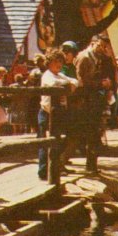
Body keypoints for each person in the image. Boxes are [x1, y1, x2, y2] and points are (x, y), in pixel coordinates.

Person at [69, 33, 113, 173]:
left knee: (93, 134)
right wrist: (101, 84)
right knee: (78, 134)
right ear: (93, 43)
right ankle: (60, 163)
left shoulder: (97, 58)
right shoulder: (85, 57)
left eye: (105, 47)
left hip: (92, 101)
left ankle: (91, 166)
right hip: (83, 102)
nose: (102, 49)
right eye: (100, 46)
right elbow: (82, 81)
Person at [38, 49, 77, 180]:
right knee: (46, 142)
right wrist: (67, 85)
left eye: (61, 62)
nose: (59, 65)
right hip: (47, 113)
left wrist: (70, 83)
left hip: (59, 113)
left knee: (61, 139)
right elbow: (53, 84)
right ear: (49, 63)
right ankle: (43, 171)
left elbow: (75, 81)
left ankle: (56, 166)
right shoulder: (47, 75)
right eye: (56, 62)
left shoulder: (60, 75)